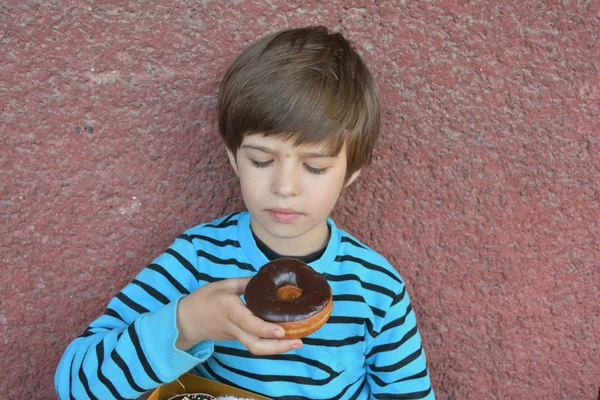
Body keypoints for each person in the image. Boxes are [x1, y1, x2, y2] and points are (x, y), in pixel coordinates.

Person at [55, 26, 435, 400]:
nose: (285, 187)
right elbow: (74, 384)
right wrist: (186, 323)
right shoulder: (196, 260)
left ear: (351, 173)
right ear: (233, 158)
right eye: (261, 160)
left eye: (315, 167)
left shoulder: (376, 288)